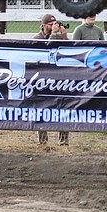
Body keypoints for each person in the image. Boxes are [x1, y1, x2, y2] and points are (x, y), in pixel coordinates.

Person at [34, 13, 70, 145]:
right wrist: (54, 35)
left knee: (63, 110)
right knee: (41, 110)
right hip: (42, 79)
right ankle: (42, 142)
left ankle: (63, 142)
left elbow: (68, 51)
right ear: (44, 25)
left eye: (55, 23)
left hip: (59, 79)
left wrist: (64, 36)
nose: (53, 26)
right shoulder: (37, 38)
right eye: (50, 24)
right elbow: (46, 49)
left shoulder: (59, 37)